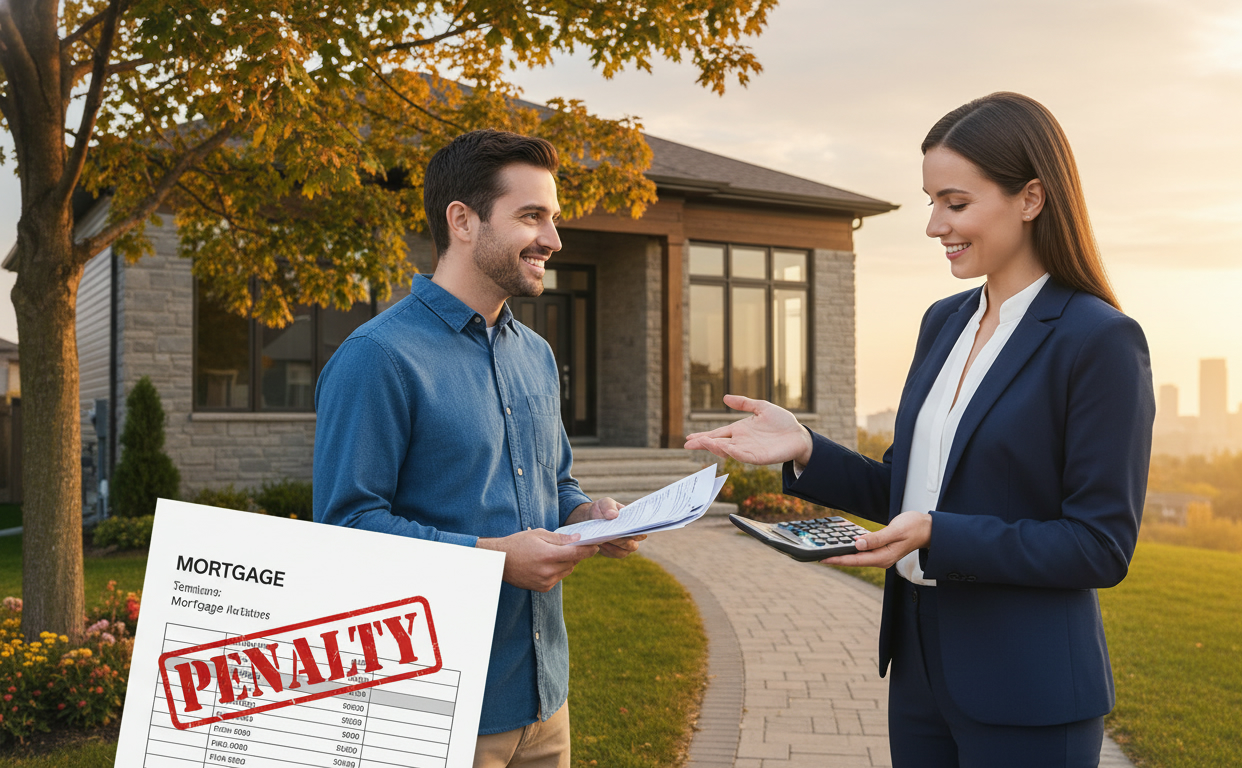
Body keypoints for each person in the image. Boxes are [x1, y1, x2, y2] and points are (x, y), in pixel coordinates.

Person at [685, 93, 1155, 768]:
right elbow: (908, 492)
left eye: (955, 203)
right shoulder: (944, 323)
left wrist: (940, 534)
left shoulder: (1098, 340)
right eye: (932, 202)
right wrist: (806, 448)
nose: (935, 225)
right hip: (919, 672)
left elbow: (1100, 546)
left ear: (1031, 198)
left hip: (1028, 689)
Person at [314, 129, 645, 768]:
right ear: (462, 221)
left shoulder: (536, 355)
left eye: (553, 218)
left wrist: (589, 516)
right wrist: (492, 559)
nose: (554, 239)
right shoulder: (377, 358)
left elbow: (556, 483)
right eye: (532, 216)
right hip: (436, 710)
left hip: (544, 699)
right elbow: (346, 531)